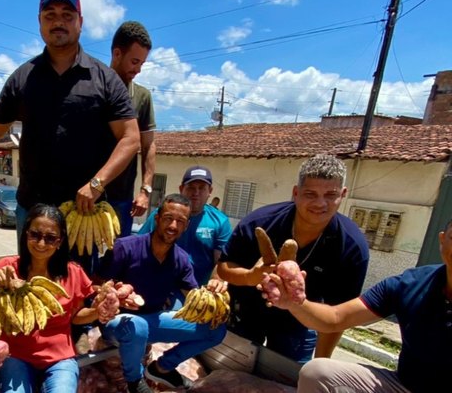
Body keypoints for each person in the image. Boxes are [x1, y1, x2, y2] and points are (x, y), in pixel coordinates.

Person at [0, 0, 140, 271]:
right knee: (30, 286)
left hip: (82, 211)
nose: (58, 22)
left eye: (67, 15)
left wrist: (98, 184)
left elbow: (131, 138)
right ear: (40, 22)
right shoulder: (24, 77)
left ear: (80, 22)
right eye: (50, 15)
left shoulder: (104, 79)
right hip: (31, 207)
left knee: (76, 288)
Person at [264, 218, 452, 393]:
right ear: (442, 240)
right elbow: (336, 318)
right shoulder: (411, 283)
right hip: (403, 385)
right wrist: (295, 303)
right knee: (317, 372)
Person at [217, 154, 370, 363]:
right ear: (296, 193)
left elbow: (339, 316)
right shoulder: (260, 222)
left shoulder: (351, 247)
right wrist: (250, 277)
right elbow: (224, 267)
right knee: (230, 370)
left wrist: (321, 366)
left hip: (299, 320)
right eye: (310, 194)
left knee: (287, 379)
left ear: (343, 195)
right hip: (245, 312)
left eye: (330, 194)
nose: (320, 203)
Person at [99, 194, 228, 393]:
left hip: (152, 322)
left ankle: (162, 367)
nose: (173, 226)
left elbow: (194, 296)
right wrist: (112, 295)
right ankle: (134, 382)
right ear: (157, 219)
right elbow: (95, 286)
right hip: (116, 323)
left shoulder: (181, 260)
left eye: (180, 222)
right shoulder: (125, 248)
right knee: (137, 325)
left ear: (186, 226)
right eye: (168, 218)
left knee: (215, 330)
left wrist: (213, 291)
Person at [0, 204, 101, 393]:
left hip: (59, 357)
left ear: (60, 241)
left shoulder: (73, 272)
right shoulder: (7, 268)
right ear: (26, 234)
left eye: (50, 238)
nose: (41, 244)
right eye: (35, 235)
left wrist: (98, 311)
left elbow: (76, 316)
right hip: (15, 354)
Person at [138, 166, 232, 286]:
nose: (196, 193)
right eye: (191, 187)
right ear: (181, 189)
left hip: (200, 291)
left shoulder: (220, 221)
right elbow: (141, 248)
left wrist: (216, 281)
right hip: (163, 284)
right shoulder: (161, 215)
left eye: (202, 188)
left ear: (210, 191)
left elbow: (221, 261)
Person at [105, 21, 157, 237]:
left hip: (121, 198)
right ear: (117, 53)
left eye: (142, 63)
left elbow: (148, 145)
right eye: (134, 61)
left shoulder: (142, 97)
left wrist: (145, 190)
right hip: (85, 197)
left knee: (117, 262)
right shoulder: (89, 88)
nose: (138, 70)